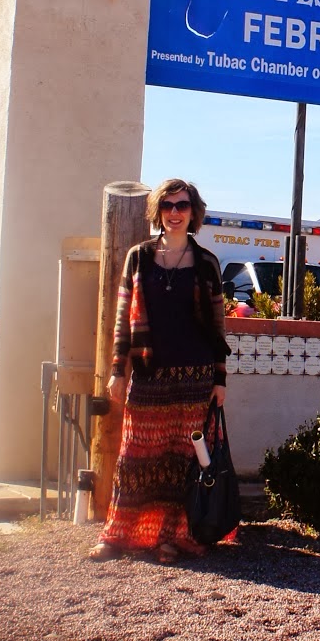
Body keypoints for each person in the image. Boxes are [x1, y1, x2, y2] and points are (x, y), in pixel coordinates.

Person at [91, 178, 228, 564]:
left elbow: (218, 327)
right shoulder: (139, 257)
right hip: (149, 374)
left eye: (182, 205)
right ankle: (118, 534)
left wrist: (220, 379)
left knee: (185, 461)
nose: (174, 213)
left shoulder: (207, 263)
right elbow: (123, 319)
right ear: (157, 212)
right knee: (135, 456)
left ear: (193, 211)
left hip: (195, 378)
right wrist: (117, 370)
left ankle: (174, 538)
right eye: (167, 206)